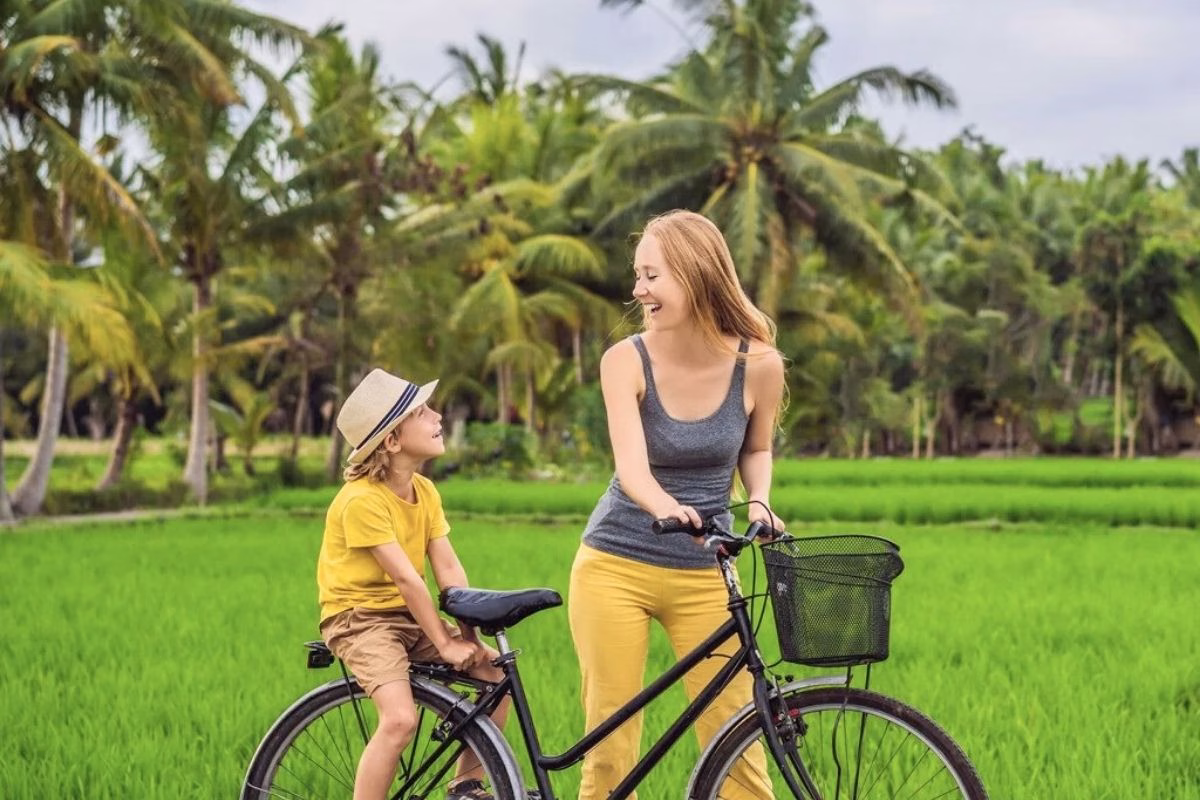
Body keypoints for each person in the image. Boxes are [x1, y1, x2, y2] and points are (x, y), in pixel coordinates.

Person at [568, 210, 786, 800]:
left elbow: (758, 447)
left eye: (651, 276)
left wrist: (760, 502)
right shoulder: (626, 361)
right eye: (637, 276)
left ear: (693, 274)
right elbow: (631, 470)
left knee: (738, 746)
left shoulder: (758, 363)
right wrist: (672, 508)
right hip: (616, 565)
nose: (638, 290)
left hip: (706, 574)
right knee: (610, 755)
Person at [317, 368, 506, 800]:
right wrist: (443, 643)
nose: (437, 416)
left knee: (495, 674)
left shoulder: (425, 490)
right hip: (359, 620)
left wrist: (467, 635)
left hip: (407, 617)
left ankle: (466, 785)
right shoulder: (361, 500)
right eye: (422, 412)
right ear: (392, 442)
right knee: (401, 720)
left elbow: (449, 571)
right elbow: (405, 576)